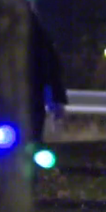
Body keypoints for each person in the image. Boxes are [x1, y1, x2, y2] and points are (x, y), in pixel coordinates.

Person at [29, 10, 67, 145]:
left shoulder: (38, 37)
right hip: (33, 96)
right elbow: (53, 68)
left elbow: (51, 67)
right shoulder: (40, 36)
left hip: (29, 96)